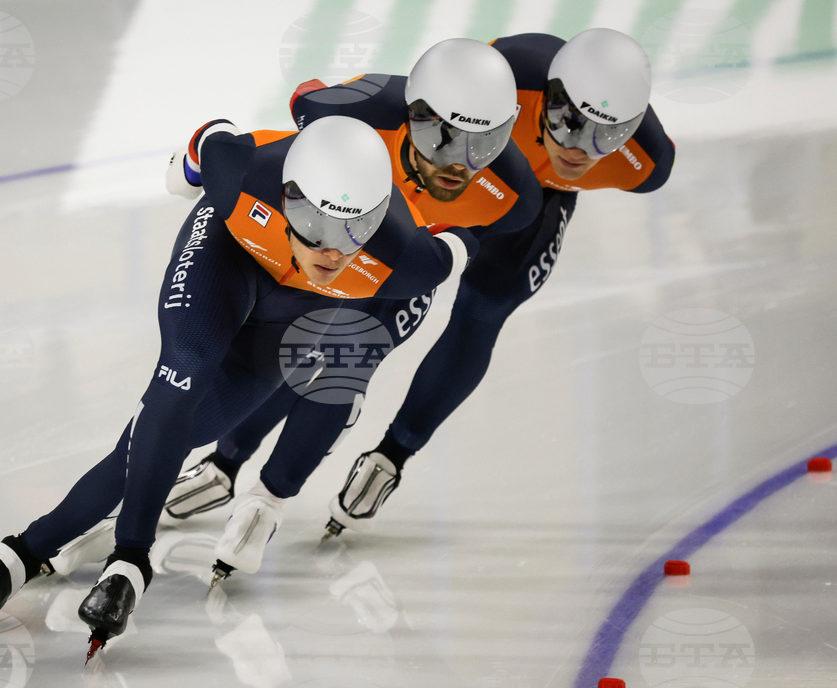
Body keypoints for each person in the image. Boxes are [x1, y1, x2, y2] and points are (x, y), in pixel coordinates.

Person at [0, 114, 479, 662]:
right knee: (184, 370)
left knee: (177, 434)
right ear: (288, 197)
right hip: (227, 252)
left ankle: (19, 554)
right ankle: (130, 559)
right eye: (319, 226)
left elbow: (462, 244)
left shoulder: (405, 261)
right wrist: (185, 173)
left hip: (289, 314)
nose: (333, 251)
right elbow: (210, 137)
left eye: (354, 229)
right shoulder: (243, 173)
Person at [165, 29, 675, 541]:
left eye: (608, 136)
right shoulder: (504, 74)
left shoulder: (645, 164)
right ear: (538, 99)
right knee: (340, 326)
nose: (581, 150)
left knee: (485, 306)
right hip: (440, 195)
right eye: (567, 121)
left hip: (519, 205)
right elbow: (379, 103)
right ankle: (228, 460)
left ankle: (393, 453)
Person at [160, 38, 543, 573]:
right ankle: (226, 461)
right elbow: (299, 110)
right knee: (285, 346)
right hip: (331, 240)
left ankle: (270, 499)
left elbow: (477, 242)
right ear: (410, 116)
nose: (460, 164)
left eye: (484, 144)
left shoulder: (515, 194)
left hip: (404, 259)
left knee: (348, 356)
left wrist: (440, 253)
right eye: (443, 137)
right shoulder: (345, 110)